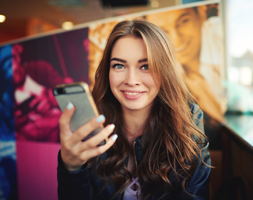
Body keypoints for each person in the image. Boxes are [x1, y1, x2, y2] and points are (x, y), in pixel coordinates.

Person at [57, 19, 211, 200]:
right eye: (119, 65)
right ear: (108, 71)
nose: (131, 80)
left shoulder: (189, 118)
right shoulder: (91, 125)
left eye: (146, 66)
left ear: (165, 71)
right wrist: (71, 168)